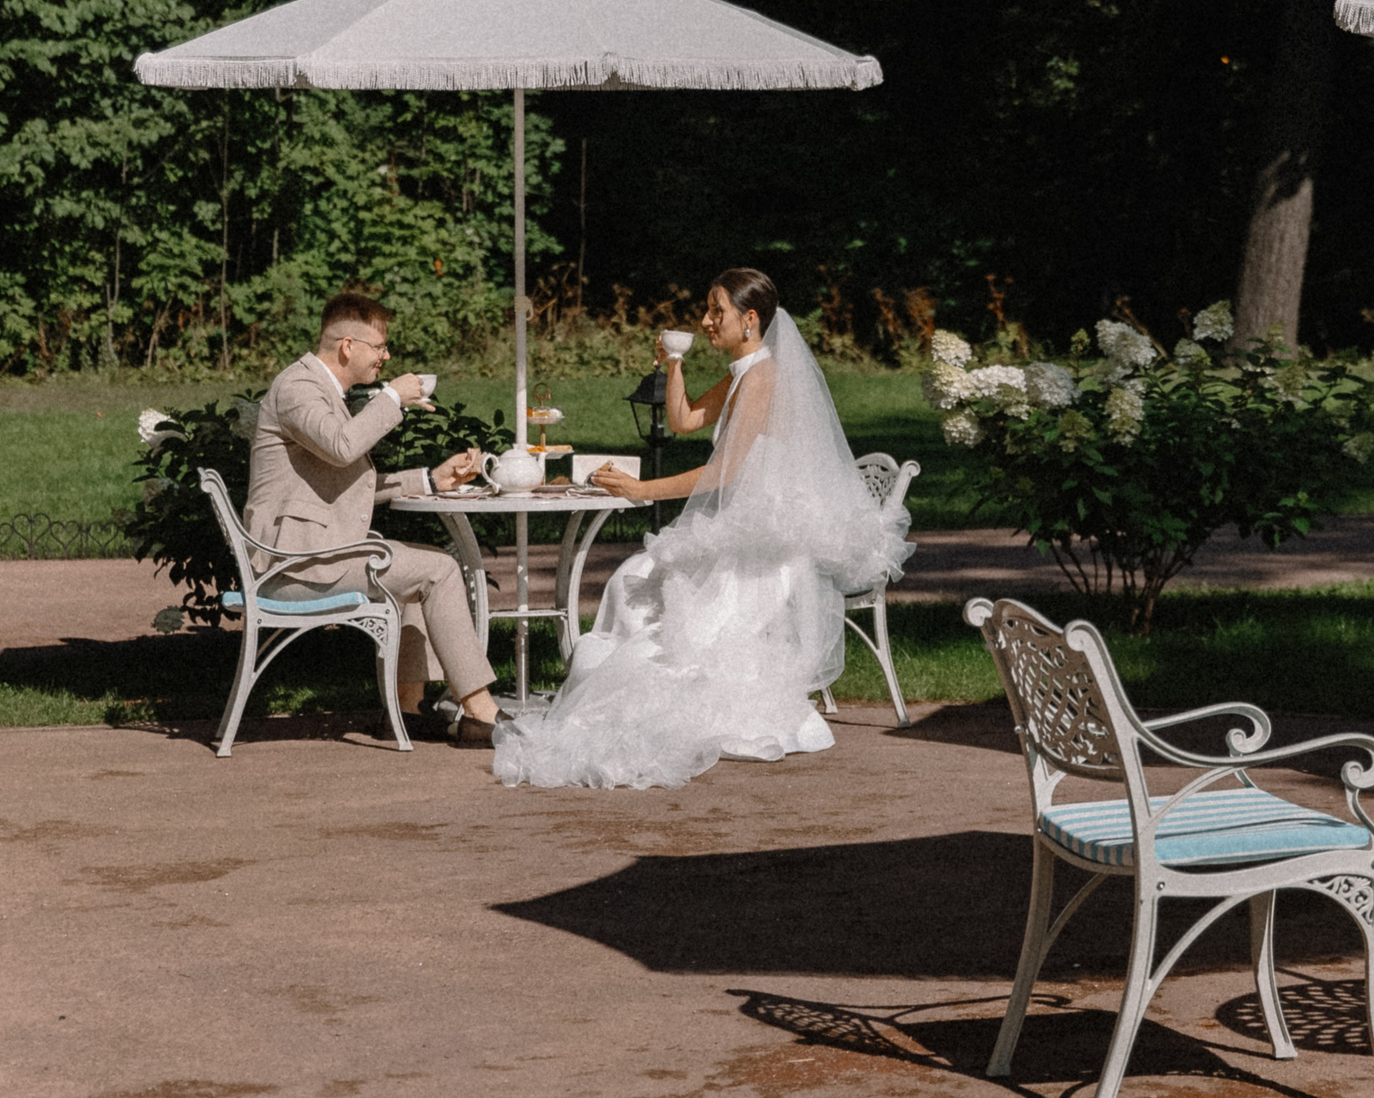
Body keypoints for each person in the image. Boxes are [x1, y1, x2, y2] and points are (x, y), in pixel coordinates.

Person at [492, 268, 914, 789]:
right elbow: (685, 419)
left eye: (717, 311)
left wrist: (641, 490)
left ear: (750, 319)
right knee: (634, 576)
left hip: (765, 542)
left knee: (678, 615)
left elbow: (724, 472)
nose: (706, 320)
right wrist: (673, 364)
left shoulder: (763, 377)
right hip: (739, 525)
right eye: (708, 310)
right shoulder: (743, 370)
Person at [244, 292, 502, 742]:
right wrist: (392, 397)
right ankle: (482, 715)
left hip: (312, 556)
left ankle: (407, 711)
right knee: (438, 570)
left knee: (420, 565)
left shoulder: (320, 389)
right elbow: (344, 447)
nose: (386, 356)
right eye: (380, 347)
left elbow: (344, 483)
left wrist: (430, 479)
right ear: (348, 346)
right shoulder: (298, 388)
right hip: (293, 566)